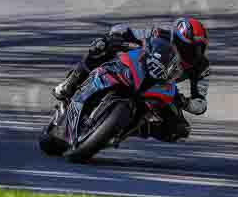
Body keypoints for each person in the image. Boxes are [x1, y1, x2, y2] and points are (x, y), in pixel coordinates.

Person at [53, 17, 210, 142]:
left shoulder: (201, 66)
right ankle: (70, 83)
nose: (191, 52)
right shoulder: (159, 33)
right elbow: (125, 30)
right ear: (176, 37)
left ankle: (128, 128)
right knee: (101, 46)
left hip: (164, 86)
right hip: (139, 65)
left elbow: (201, 104)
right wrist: (116, 37)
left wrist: (186, 103)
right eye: (187, 47)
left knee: (180, 129)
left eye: (197, 49)